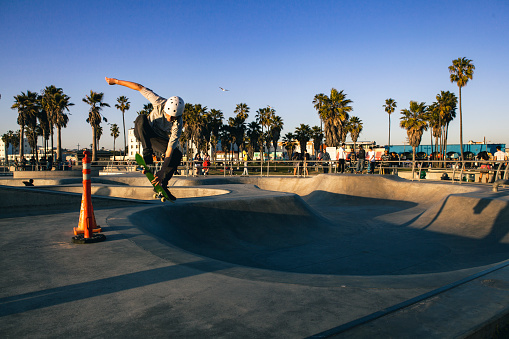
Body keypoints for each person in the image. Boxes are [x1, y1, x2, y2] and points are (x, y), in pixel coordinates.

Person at [105, 77, 184, 200]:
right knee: (141, 118)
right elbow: (139, 87)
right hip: (143, 133)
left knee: (177, 154)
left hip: (157, 140)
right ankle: (147, 152)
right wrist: (116, 81)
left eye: (173, 118)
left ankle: (162, 183)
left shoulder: (178, 124)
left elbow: (169, 149)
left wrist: (162, 171)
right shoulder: (159, 102)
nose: (170, 119)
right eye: (169, 115)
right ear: (166, 109)